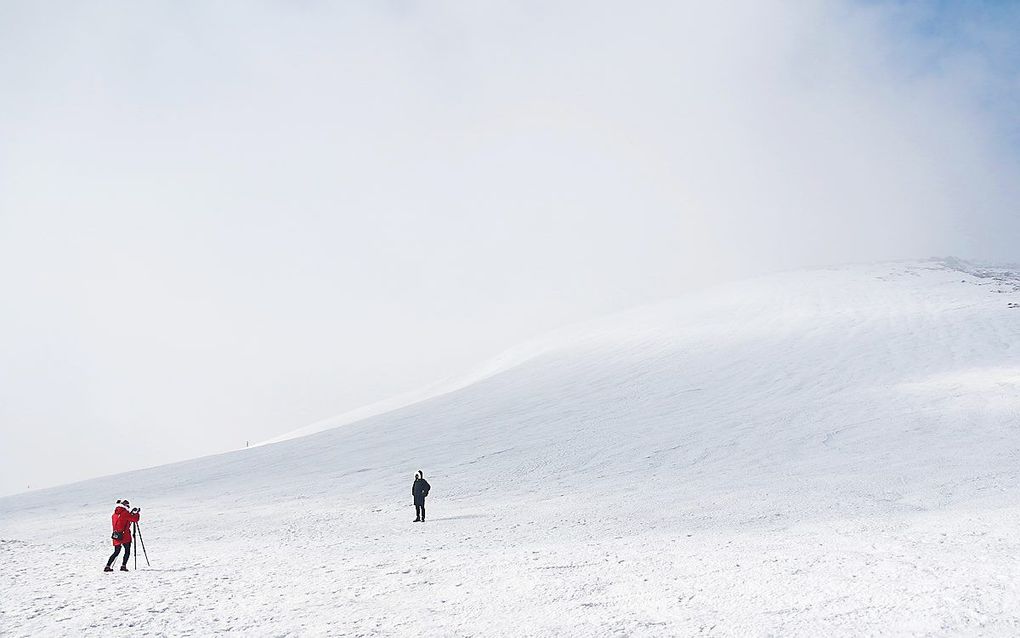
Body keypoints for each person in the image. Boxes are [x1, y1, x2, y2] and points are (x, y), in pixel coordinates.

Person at [104, 499, 141, 572]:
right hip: (125, 535)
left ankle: (107, 566)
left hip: (116, 535)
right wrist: (136, 513)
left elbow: (123, 521)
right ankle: (123, 566)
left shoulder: (114, 514)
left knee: (116, 551)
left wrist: (131, 513)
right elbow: (135, 519)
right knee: (127, 551)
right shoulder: (125, 513)